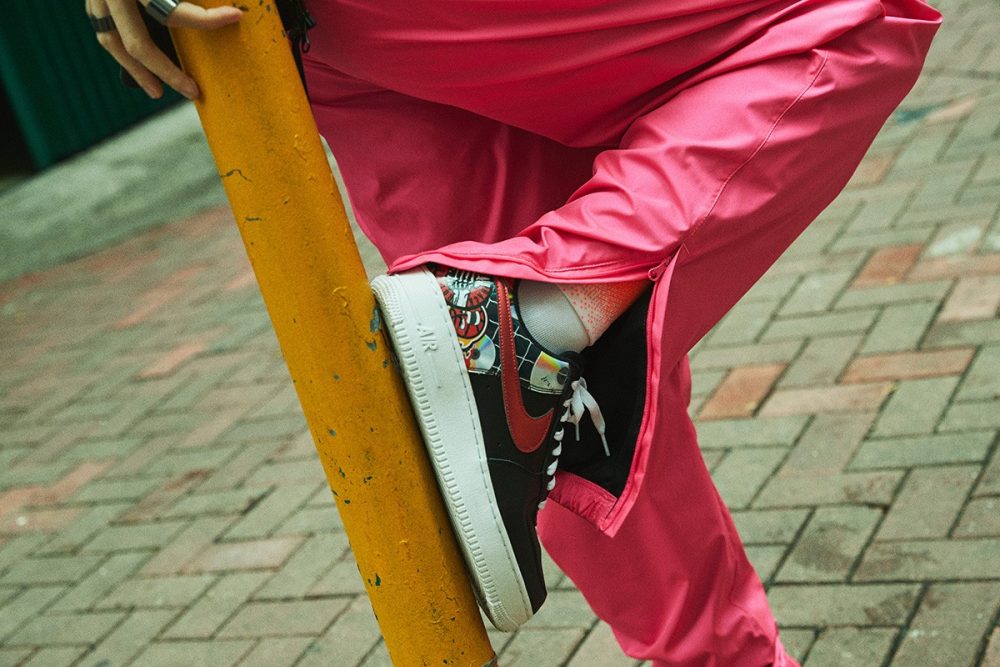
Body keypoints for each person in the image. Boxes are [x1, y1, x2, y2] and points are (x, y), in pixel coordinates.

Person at [87, 0, 940, 663]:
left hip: (306, 43)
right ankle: (530, 323)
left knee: (554, 399)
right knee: (850, 17)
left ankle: (526, 341)